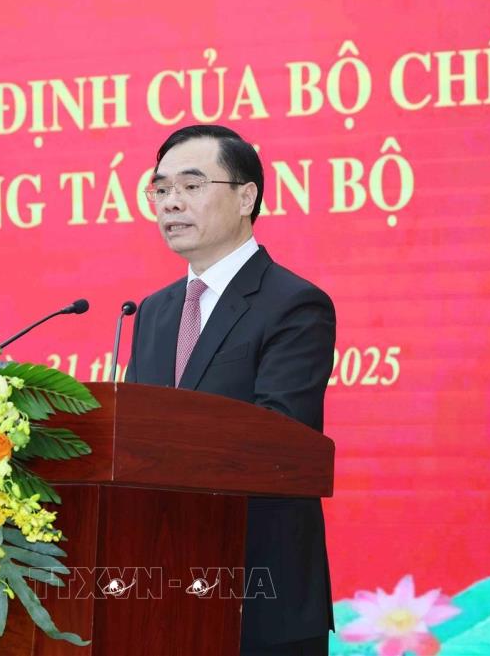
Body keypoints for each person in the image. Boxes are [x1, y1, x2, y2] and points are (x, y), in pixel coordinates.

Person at [125, 124, 336, 656]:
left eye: (191, 186)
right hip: (162, 592)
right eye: (161, 188)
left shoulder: (294, 305)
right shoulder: (153, 311)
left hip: (259, 591)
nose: (171, 202)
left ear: (246, 197)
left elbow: (281, 441)